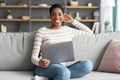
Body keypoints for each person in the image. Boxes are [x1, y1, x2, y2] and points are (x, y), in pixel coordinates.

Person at [31, 4, 93, 80]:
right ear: (50, 16)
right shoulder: (41, 31)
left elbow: (90, 33)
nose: (57, 17)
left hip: (61, 67)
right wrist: (40, 62)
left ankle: (50, 77)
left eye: (59, 14)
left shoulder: (68, 30)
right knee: (64, 72)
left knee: (88, 65)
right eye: (53, 15)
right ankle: (59, 74)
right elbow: (33, 57)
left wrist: (73, 21)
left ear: (63, 16)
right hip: (45, 67)